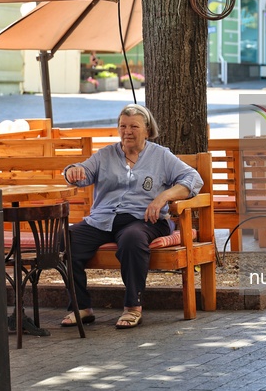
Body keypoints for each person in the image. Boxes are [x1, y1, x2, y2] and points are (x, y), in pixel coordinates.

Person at [60, 104, 203, 329]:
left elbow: (193, 179)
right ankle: (81, 307)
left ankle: (132, 307)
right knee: (65, 238)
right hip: (103, 220)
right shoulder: (106, 154)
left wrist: (163, 197)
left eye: (134, 126)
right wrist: (72, 171)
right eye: (123, 126)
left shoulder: (161, 156)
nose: (127, 131)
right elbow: (81, 173)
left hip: (146, 220)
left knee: (131, 239)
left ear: (147, 129)